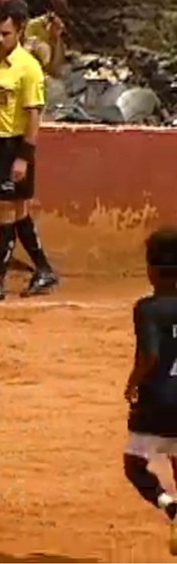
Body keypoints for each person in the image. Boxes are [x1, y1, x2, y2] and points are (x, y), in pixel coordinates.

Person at [0, 0, 58, 303]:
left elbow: (34, 114)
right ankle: (44, 269)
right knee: (17, 211)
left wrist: (24, 156)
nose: (0, 39)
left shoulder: (28, 68)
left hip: (14, 145)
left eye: (6, 33)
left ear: (20, 30)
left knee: (6, 212)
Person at [122, 227, 177, 554]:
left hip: (157, 400)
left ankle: (170, 506)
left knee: (135, 464)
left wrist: (132, 384)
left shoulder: (148, 308)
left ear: (152, 271)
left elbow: (150, 356)